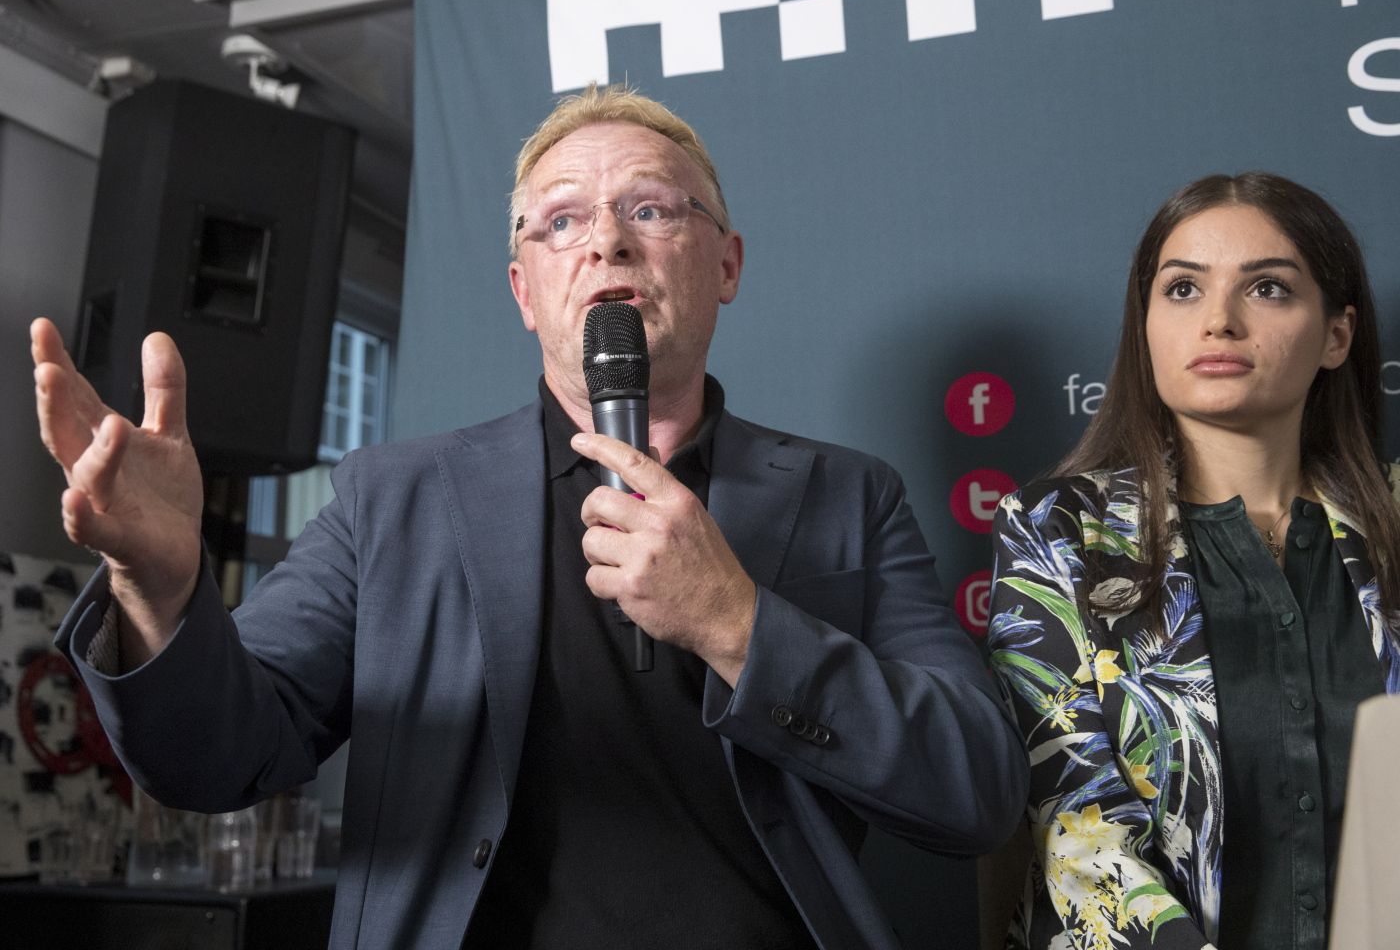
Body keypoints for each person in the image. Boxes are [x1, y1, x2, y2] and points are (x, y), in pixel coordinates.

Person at [33, 84, 1028, 949]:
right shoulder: (392, 500)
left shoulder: (850, 497)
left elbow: (975, 787)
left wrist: (736, 623)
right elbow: (216, 756)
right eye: (560, 220)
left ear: (722, 265)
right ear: (524, 290)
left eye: (650, 206)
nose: (606, 238)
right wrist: (159, 586)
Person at [986, 172, 1400, 950]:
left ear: (1337, 335)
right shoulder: (1055, 530)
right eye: (1181, 290)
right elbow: (1080, 834)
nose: (1218, 321)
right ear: (1145, 325)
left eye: (1268, 289)